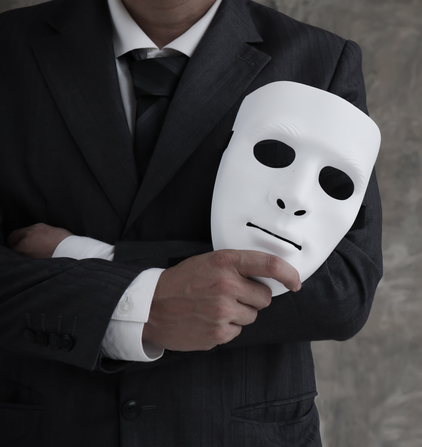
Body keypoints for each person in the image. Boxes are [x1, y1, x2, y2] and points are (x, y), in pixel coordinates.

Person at [0, 0, 383, 445]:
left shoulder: (320, 60)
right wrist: (144, 301)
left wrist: (100, 264)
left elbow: (344, 286)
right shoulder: (10, 46)